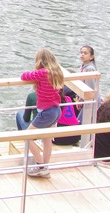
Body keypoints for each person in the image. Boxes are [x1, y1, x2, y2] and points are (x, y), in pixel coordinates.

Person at [19, 48, 65, 178]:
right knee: (47, 140)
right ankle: (45, 167)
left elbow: (24, 76)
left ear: (40, 61)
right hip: (56, 110)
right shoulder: (57, 72)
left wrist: (36, 70)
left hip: (47, 112)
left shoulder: (43, 73)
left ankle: (40, 165)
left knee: (27, 136)